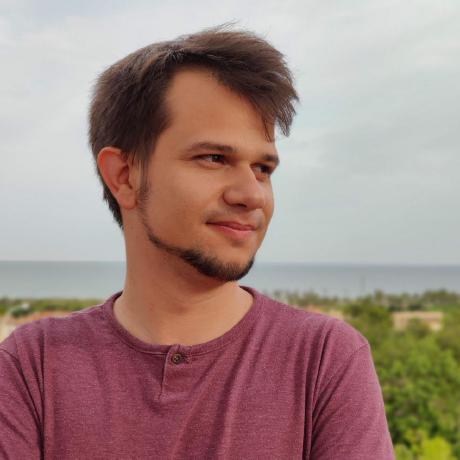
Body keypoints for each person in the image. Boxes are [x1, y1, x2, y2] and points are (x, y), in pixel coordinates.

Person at [0, 25, 395, 459]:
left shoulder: (324, 359)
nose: (252, 195)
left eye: (263, 169)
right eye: (214, 158)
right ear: (124, 177)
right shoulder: (32, 366)